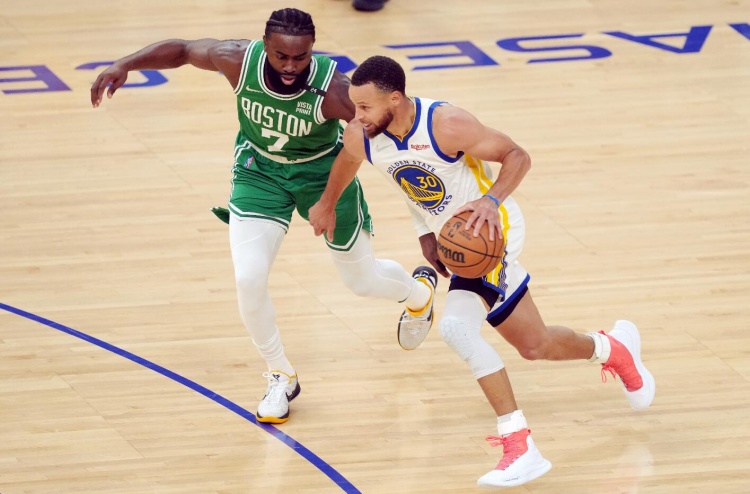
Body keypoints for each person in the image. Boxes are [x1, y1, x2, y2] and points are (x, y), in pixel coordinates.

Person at [308, 55, 656, 488]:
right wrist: (342, 208)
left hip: (492, 235)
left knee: (456, 328)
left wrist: (491, 201)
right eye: (355, 106)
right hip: (454, 240)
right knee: (535, 345)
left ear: (394, 99)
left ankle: (520, 446)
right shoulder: (364, 134)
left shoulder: (446, 124)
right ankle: (613, 348)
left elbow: (517, 155)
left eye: (364, 106)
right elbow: (357, 163)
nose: (356, 115)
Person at [90, 9, 439, 425]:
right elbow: (182, 50)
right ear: (264, 47)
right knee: (249, 278)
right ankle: (280, 375)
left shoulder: (335, 91)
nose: (290, 67)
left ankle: (418, 295)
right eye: (280, 56)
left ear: (312, 50)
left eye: (300, 57)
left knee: (361, 282)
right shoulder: (236, 60)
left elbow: (394, 155)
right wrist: (124, 64)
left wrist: (413, 223)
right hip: (260, 174)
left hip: (324, 176)